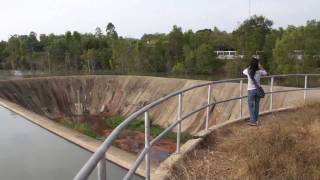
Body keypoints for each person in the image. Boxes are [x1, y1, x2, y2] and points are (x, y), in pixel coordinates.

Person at [243, 58, 267, 126]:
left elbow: (243, 71)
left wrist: (249, 66)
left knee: (251, 106)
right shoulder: (259, 71)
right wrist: (260, 66)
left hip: (251, 90)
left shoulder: (248, 71)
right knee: (256, 106)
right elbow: (265, 73)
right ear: (257, 64)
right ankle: (255, 120)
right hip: (258, 90)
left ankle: (252, 121)